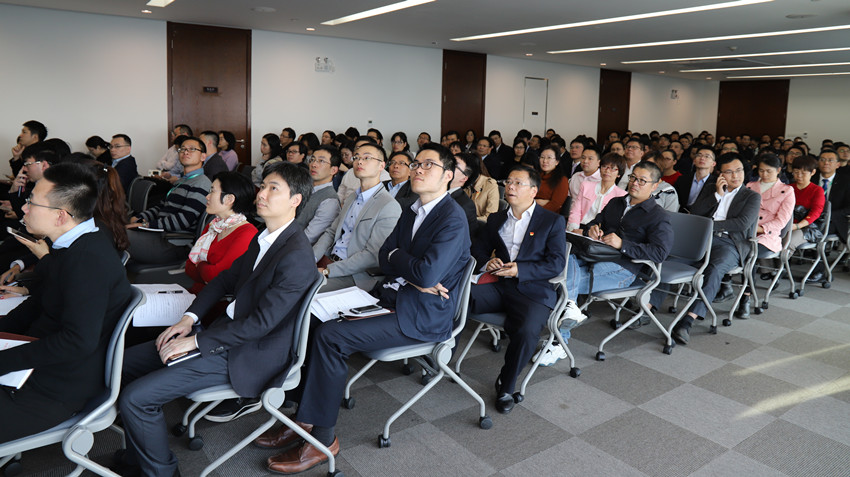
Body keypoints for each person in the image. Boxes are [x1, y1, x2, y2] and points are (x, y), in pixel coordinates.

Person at [258, 144, 470, 474]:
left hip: (420, 316)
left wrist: (405, 265)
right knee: (312, 319)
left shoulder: (452, 218)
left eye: (428, 164)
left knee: (331, 336)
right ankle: (304, 419)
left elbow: (424, 273)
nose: (418, 169)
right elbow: (385, 256)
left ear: (448, 175)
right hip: (392, 297)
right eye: (417, 163)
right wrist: (409, 269)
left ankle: (323, 440)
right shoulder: (412, 209)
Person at [115, 162, 316, 477]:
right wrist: (189, 318)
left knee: (136, 398)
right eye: (263, 186)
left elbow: (260, 325)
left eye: (272, 188)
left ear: (295, 200)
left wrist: (196, 341)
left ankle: (162, 472)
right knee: (123, 364)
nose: (261, 194)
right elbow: (223, 280)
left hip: (249, 355)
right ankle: (136, 459)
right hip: (224, 335)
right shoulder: (264, 238)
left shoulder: (296, 256)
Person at [0, 162, 132, 443]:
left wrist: (5, 361)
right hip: (38, 364)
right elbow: (38, 304)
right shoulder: (69, 246)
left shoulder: (87, 260)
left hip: (52, 388)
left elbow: (77, 341)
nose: (24, 208)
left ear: (60, 216)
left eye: (32, 202)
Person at [469, 165, 566, 413]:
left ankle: (506, 385)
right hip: (498, 283)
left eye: (518, 183)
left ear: (533, 191)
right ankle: (438, 355)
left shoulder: (551, 221)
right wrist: (487, 262)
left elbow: (556, 263)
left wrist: (520, 270)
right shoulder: (496, 218)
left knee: (527, 330)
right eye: (509, 182)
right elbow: (478, 249)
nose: (510, 187)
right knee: (457, 299)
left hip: (533, 289)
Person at [671, 154, 761, 345]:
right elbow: (695, 213)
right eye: (729, 172)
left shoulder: (751, 196)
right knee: (670, 257)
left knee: (714, 269)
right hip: (702, 239)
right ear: (721, 174)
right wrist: (717, 196)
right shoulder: (711, 189)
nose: (735, 176)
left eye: (739, 171)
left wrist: (708, 225)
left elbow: (742, 223)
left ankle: (689, 320)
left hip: (730, 243)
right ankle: (649, 306)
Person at [313, 142, 401, 292]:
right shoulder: (352, 197)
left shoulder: (388, 205)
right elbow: (331, 232)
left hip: (355, 275)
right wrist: (311, 259)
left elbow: (372, 255)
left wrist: (327, 271)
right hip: (330, 261)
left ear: (381, 166)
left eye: (367, 158)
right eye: (356, 157)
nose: (359, 162)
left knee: (301, 290)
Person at [126, 136, 212, 265]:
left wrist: (145, 225)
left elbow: (184, 219)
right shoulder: (182, 181)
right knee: (113, 231)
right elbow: (162, 207)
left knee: (116, 236)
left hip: (173, 244)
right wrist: (140, 217)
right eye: (182, 149)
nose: (185, 152)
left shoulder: (201, 183)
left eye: (192, 149)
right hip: (160, 234)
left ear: (203, 156)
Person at [184, 171, 258, 294]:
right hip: (195, 294)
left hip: (216, 301)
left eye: (212, 191)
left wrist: (200, 265)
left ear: (229, 199)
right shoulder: (214, 226)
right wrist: (205, 269)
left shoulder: (247, 234)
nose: (207, 197)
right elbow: (188, 267)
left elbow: (215, 277)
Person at [747, 154, 795, 285]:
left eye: (769, 171)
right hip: (747, 229)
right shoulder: (750, 186)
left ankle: (748, 289)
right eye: (761, 170)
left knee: (749, 252)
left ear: (778, 170)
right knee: (730, 248)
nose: (764, 174)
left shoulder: (787, 190)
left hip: (768, 234)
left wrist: (760, 228)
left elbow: (782, 220)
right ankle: (728, 283)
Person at [567, 153, 627, 232]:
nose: (607, 171)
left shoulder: (621, 195)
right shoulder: (586, 185)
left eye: (612, 168)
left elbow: (613, 222)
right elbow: (576, 211)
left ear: (619, 174)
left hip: (599, 232)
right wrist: (574, 229)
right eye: (604, 166)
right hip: (579, 226)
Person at [296, 145, 342, 245]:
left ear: (333, 170)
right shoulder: (303, 188)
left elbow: (308, 237)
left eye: (321, 161)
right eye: (312, 160)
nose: (314, 164)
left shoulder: (330, 201)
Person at [673, 146, 717, 212]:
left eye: (707, 156)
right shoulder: (682, 179)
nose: (702, 158)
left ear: (713, 163)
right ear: (694, 161)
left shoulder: (715, 183)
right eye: (699, 155)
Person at [534, 145, 570, 214]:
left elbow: (555, 205)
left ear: (557, 162)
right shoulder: (536, 176)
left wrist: (536, 213)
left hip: (547, 215)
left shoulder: (562, 180)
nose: (544, 161)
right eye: (542, 157)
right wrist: (536, 202)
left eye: (549, 158)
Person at [465, 153, 500, 222]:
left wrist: (468, 221)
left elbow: (490, 216)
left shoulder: (490, 185)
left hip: (479, 224)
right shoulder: (464, 183)